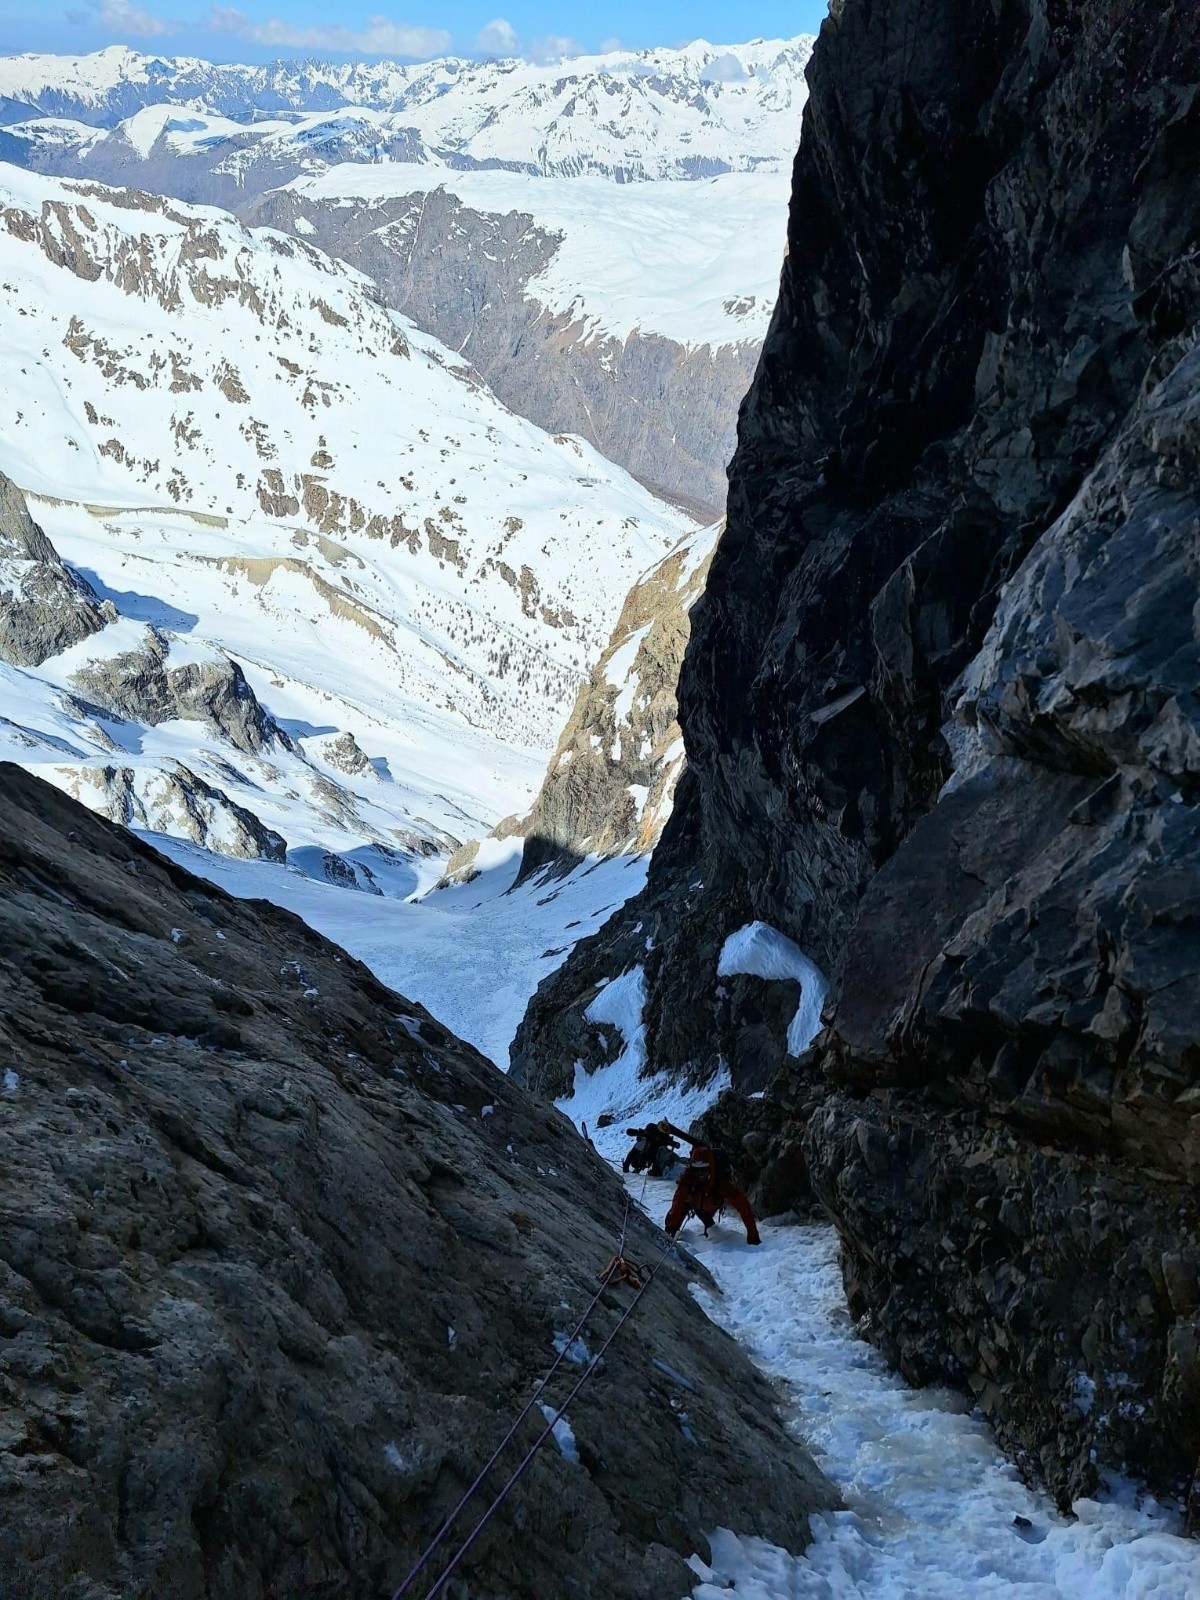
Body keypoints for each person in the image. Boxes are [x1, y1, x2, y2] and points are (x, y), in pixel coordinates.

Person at [663, 1141, 761, 1246]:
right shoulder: (687, 1179)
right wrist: (670, 1228)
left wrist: (753, 1235)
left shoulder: (720, 1182)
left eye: (704, 1170)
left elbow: (742, 1206)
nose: (700, 1174)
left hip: (711, 1202)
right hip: (694, 1201)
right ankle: (670, 1234)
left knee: (708, 1221)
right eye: (696, 1170)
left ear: (710, 1168)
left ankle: (710, 1230)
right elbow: (677, 1203)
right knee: (678, 1213)